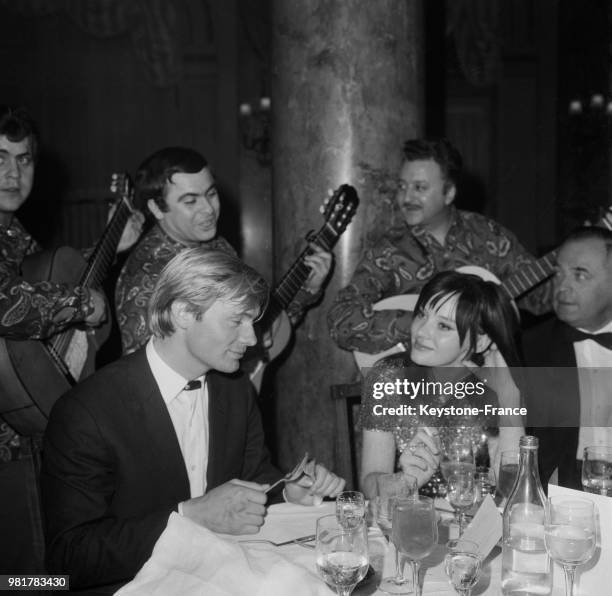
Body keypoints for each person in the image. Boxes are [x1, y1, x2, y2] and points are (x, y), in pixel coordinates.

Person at [42, 248, 345, 593]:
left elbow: (252, 477)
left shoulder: (234, 389)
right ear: (184, 312)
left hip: (220, 574)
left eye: (253, 321)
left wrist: (287, 490)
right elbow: (69, 558)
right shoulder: (87, 412)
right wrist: (187, 516)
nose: (251, 338)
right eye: (236, 321)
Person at [0, 105, 142, 573]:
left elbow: (31, 280)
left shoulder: (12, 231)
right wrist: (84, 304)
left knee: (38, 574)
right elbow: (8, 301)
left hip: (21, 435)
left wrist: (105, 251)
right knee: (19, 578)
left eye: (23, 160)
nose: (12, 172)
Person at [328, 138, 549, 362]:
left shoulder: (488, 235)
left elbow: (542, 299)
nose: (406, 197)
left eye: (419, 188)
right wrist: (425, 322)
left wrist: (572, 268)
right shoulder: (388, 249)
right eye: (402, 186)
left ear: (449, 192)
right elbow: (341, 318)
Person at [116, 146, 332, 355]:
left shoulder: (218, 246)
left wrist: (307, 289)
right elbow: (147, 373)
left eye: (211, 194)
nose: (208, 209)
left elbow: (260, 330)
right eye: (191, 201)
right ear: (156, 208)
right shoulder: (148, 277)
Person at [359, 271, 525, 500]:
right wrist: (404, 480)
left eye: (443, 326)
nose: (422, 331)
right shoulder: (388, 376)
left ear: (481, 340)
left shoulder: (499, 387)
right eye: (421, 315)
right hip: (410, 522)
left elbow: (512, 493)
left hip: (477, 526)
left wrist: (509, 401)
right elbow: (369, 483)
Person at [524, 226, 612, 491]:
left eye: (580, 275)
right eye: (558, 274)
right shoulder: (529, 349)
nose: (562, 287)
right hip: (561, 494)